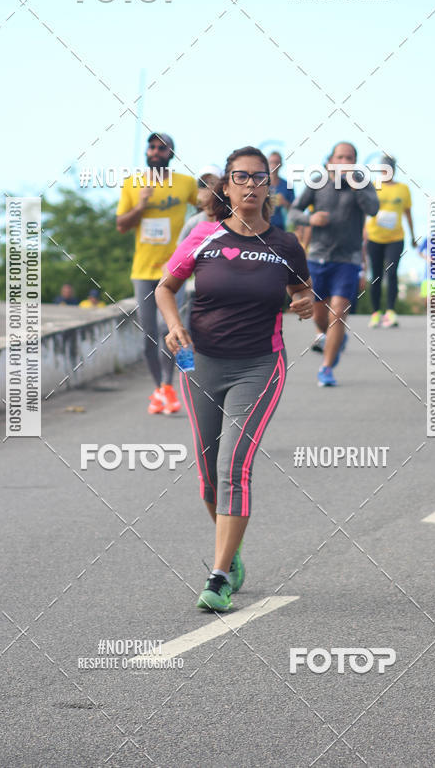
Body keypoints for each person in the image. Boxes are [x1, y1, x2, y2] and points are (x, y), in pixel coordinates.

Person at [155, 145, 313, 611]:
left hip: (259, 365)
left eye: (259, 177)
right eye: (240, 177)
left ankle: (219, 575)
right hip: (200, 362)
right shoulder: (203, 235)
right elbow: (165, 287)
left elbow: (303, 293)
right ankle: (233, 549)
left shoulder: (286, 244)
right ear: (226, 186)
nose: (250, 185)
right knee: (208, 474)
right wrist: (174, 325)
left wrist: (305, 303)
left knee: (233, 467)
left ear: (269, 186)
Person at [116, 132, 197, 415]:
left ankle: (168, 385)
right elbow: (121, 225)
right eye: (151, 147)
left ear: (171, 153)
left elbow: (208, 209)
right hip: (142, 270)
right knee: (148, 334)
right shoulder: (132, 184)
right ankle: (160, 390)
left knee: (168, 328)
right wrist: (141, 205)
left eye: (161, 148)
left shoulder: (185, 183)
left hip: (175, 269)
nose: (155, 151)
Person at [289, 141, 379, 386]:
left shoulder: (362, 182)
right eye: (340, 157)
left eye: (349, 158)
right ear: (330, 160)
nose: (344, 162)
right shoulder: (317, 182)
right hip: (317, 258)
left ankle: (326, 368)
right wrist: (310, 219)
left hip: (347, 260)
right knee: (319, 316)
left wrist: (356, 184)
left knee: (337, 313)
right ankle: (332, 338)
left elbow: (373, 209)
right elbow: (294, 212)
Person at [364, 154, 416, 328]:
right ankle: (376, 312)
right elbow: (365, 211)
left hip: (396, 238)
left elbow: (408, 213)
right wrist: (363, 233)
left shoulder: (403, 189)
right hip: (374, 237)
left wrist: (413, 236)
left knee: (392, 273)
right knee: (376, 275)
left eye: (390, 167)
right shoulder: (373, 187)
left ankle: (391, 312)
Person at [176, 166, 223, 243]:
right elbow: (180, 247)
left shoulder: (230, 221)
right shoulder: (193, 222)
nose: (208, 187)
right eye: (202, 184)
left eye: (212, 183)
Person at [267, 151, 294, 230]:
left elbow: (295, 209)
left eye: (276, 162)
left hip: (281, 228)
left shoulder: (288, 185)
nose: (274, 165)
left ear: (281, 164)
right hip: (262, 227)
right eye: (271, 162)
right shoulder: (260, 184)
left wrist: (284, 202)